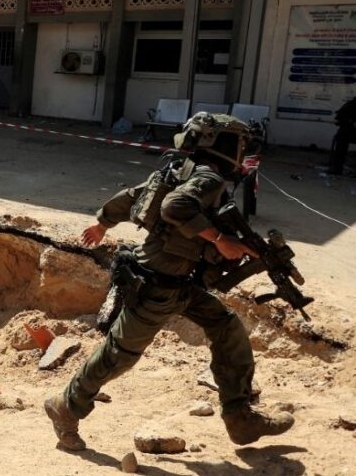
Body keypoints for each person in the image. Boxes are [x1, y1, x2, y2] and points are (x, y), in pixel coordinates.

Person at [45, 113, 294, 452]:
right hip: (158, 287)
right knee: (119, 354)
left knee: (227, 328)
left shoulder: (180, 170)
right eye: (238, 144)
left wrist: (103, 223)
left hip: (182, 283)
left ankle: (240, 418)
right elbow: (174, 207)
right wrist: (221, 239)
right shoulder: (208, 178)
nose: (241, 151)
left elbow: (133, 197)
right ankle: (65, 407)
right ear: (221, 143)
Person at [328, 96, 356, 175]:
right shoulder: (350, 104)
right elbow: (338, 119)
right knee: (341, 138)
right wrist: (350, 122)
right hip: (348, 132)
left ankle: (337, 168)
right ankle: (337, 168)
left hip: (348, 133)